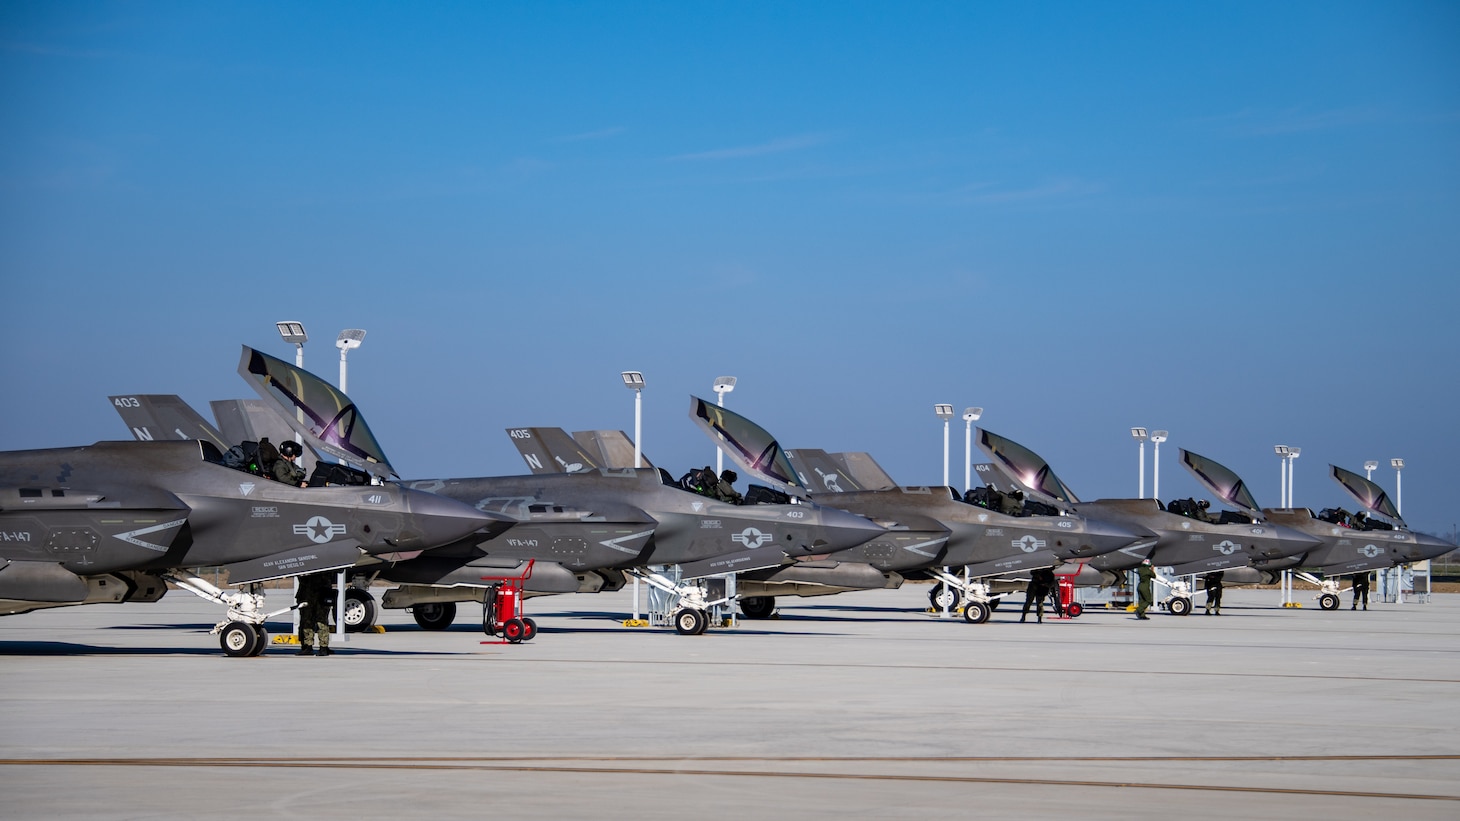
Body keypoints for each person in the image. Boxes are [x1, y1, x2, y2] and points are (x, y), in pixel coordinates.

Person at [294, 572, 333, 656]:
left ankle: (323, 647)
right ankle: (308, 646)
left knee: (321, 620)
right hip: (308, 593)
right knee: (307, 620)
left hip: (321, 593)